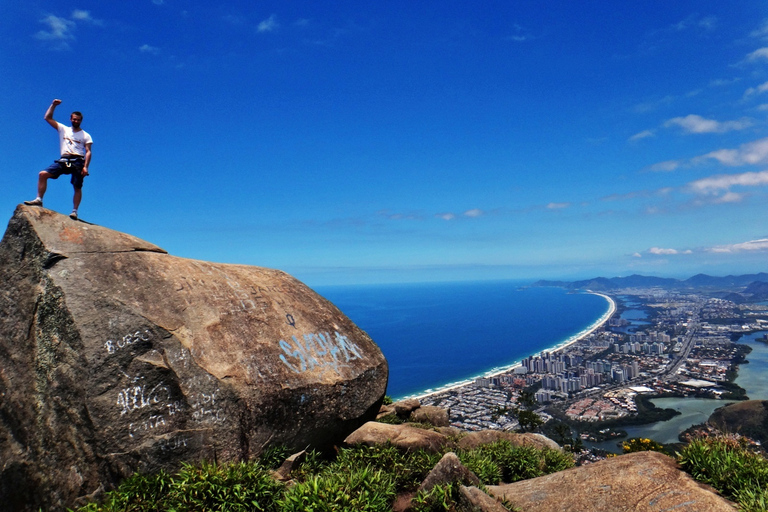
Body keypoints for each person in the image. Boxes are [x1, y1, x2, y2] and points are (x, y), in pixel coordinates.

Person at [24, 99, 93, 220]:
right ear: (70, 119)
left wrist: (86, 166)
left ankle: (74, 211)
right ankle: (39, 200)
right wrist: (53, 105)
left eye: (78, 119)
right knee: (43, 174)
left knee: (77, 186)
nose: (76, 121)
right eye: (74, 119)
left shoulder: (85, 135)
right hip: (64, 159)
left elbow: (88, 152)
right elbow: (48, 118)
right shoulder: (63, 129)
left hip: (78, 161)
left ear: (81, 121)